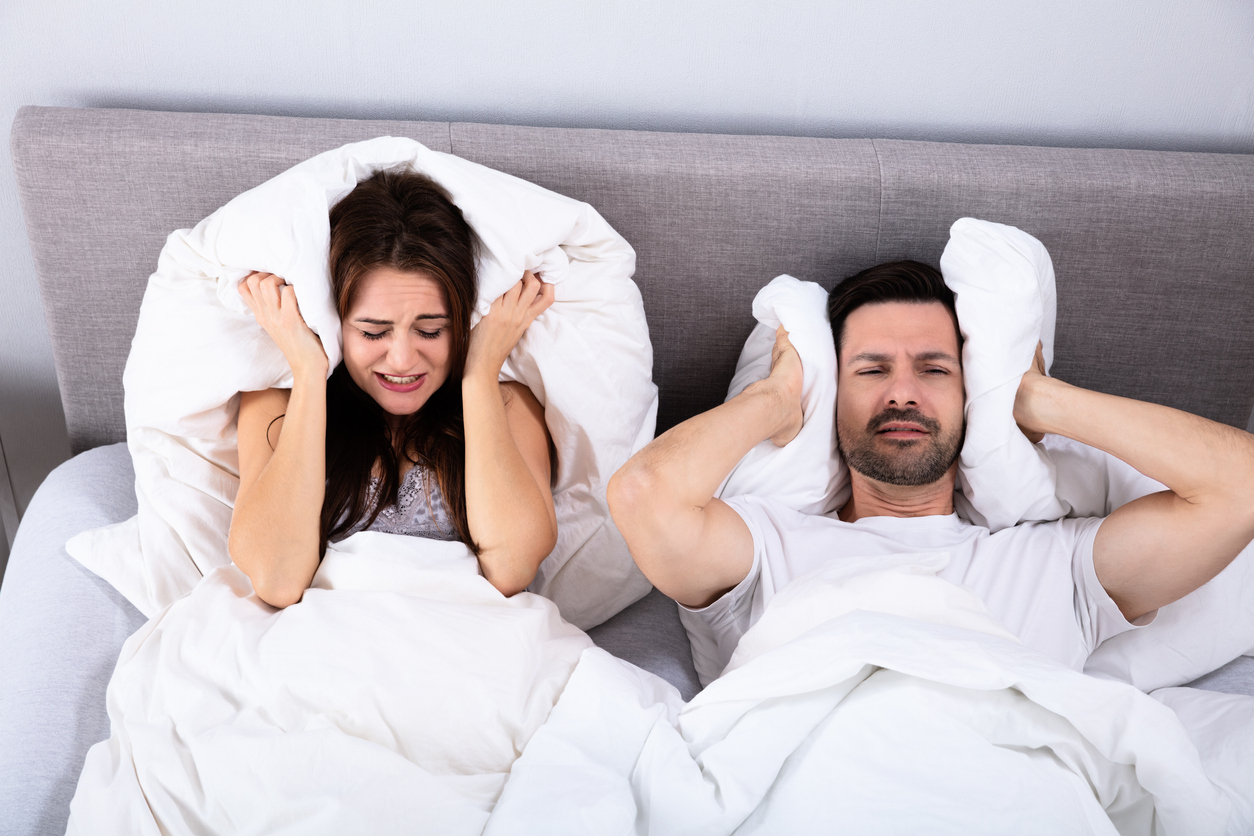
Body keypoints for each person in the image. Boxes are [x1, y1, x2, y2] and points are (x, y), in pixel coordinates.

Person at [608, 260, 1254, 677]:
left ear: (973, 392)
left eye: (935, 369)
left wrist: (1032, 398)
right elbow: (643, 493)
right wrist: (776, 399)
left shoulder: (1057, 564)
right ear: (832, 394)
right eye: (871, 369)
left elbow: (1238, 486)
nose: (903, 393)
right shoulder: (764, 547)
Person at [228, 169, 558, 608]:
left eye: (431, 330)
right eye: (372, 332)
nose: (402, 360)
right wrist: (309, 371)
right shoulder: (278, 399)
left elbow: (513, 568)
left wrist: (478, 373)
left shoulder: (505, 401)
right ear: (335, 323)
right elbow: (277, 578)